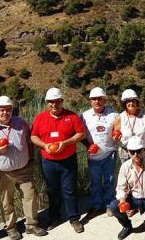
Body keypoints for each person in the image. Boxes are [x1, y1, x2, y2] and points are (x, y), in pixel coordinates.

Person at [0, 96, 46, 239]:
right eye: (2, 110)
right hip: (3, 172)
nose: (5, 113)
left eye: (8, 110)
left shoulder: (21, 122)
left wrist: (31, 158)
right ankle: (10, 228)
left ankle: (32, 225)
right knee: (6, 201)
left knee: (30, 196)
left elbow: (29, 142)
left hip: (24, 168)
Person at [30, 88, 86, 233]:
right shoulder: (40, 118)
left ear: (62, 101)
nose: (54, 104)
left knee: (69, 190)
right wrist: (44, 145)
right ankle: (55, 218)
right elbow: (33, 136)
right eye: (51, 102)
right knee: (52, 191)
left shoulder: (72, 116)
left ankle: (74, 219)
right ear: (47, 103)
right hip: (48, 161)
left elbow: (81, 134)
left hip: (68, 160)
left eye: (57, 101)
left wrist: (65, 143)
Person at [110, 138, 145, 239]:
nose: (136, 154)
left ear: (143, 150)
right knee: (114, 206)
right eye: (132, 152)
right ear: (129, 152)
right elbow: (121, 187)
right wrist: (123, 202)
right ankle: (127, 226)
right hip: (134, 197)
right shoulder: (125, 166)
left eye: (138, 151)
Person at [79, 87, 119, 219]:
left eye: (100, 99)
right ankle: (96, 206)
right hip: (93, 156)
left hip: (109, 153)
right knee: (95, 181)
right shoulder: (84, 116)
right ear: (90, 101)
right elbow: (80, 134)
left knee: (109, 180)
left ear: (104, 100)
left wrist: (116, 136)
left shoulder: (113, 115)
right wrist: (88, 145)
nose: (97, 101)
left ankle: (109, 205)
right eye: (94, 99)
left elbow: (117, 131)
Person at [114, 89, 145, 163]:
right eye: (128, 101)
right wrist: (115, 138)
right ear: (124, 103)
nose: (131, 103)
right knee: (128, 173)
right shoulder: (120, 118)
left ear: (136, 102)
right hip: (126, 152)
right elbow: (115, 135)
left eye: (133, 101)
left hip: (143, 151)